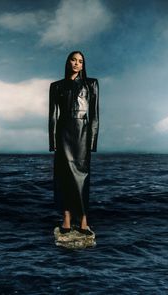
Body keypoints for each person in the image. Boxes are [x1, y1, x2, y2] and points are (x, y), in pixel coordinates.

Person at [48, 51, 99, 235]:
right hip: (63, 136)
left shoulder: (91, 84)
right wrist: (53, 141)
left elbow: (94, 115)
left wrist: (92, 142)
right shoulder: (56, 86)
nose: (77, 63)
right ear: (68, 62)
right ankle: (67, 219)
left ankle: (84, 220)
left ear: (83, 65)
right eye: (74, 60)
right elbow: (53, 115)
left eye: (81, 61)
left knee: (82, 179)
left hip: (83, 136)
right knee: (63, 178)